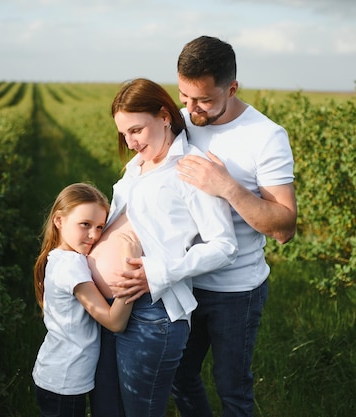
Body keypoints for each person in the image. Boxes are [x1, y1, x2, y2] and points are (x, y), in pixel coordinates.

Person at [88, 78, 238, 417]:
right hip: (114, 308)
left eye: (136, 130)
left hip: (152, 314)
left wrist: (157, 273)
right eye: (123, 134)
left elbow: (225, 245)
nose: (130, 142)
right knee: (110, 406)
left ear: (165, 115)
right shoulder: (137, 165)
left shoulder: (191, 168)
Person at [167, 35, 298, 417]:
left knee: (233, 390)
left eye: (204, 100)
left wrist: (227, 187)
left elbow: (285, 227)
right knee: (179, 374)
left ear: (232, 88)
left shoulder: (266, 136)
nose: (191, 109)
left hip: (235, 292)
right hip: (185, 281)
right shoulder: (183, 120)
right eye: (184, 96)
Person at [31, 182, 141, 417]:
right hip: (64, 381)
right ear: (59, 221)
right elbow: (115, 322)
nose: (94, 235)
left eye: (100, 227)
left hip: (55, 373)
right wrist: (131, 272)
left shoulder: (63, 257)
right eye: (85, 225)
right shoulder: (70, 266)